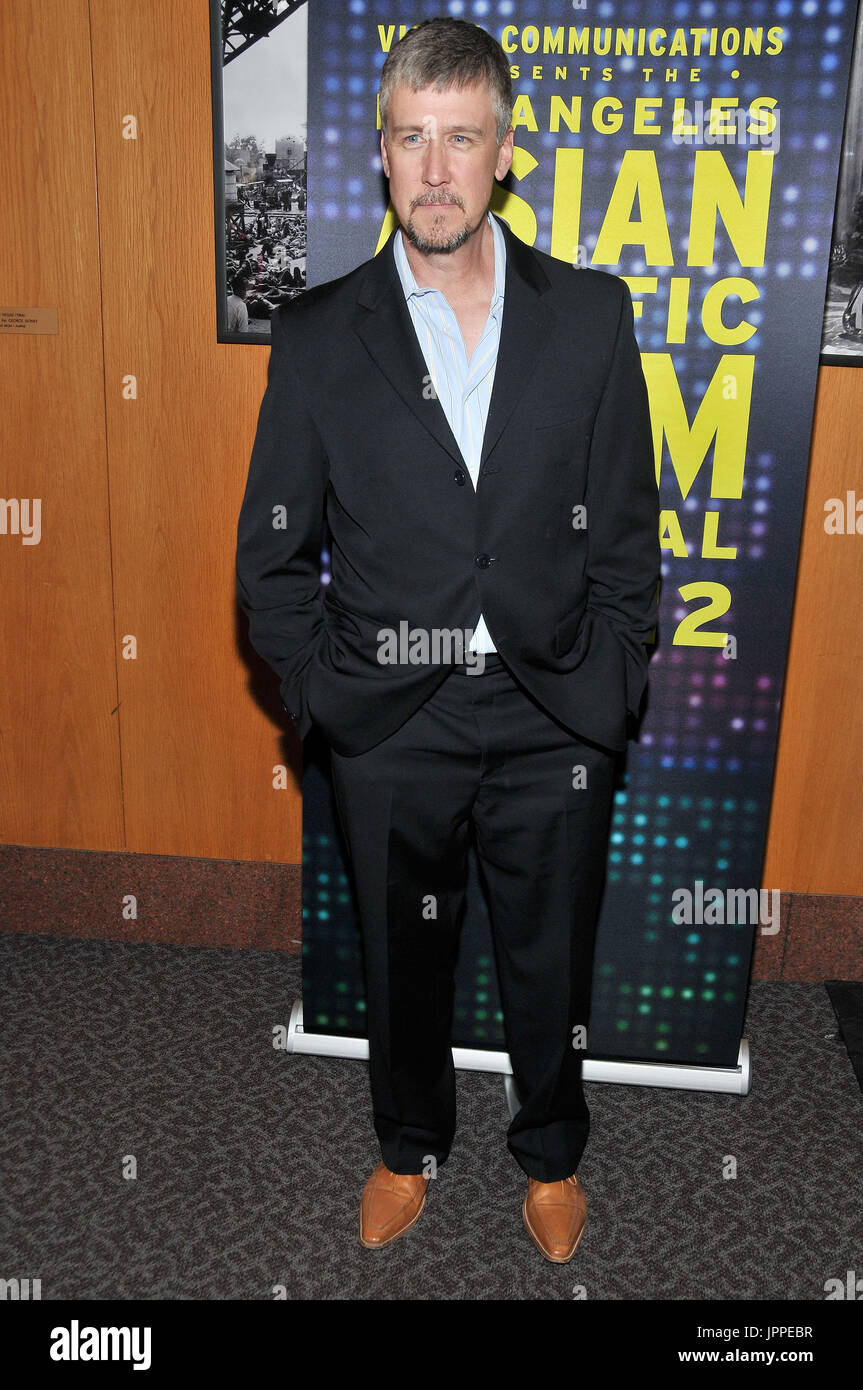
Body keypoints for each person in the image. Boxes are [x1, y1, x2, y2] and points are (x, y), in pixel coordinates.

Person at [235, 16, 661, 1263]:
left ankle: (549, 1153)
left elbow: (627, 534)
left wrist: (612, 673)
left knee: (550, 958)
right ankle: (405, 1143)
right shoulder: (317, 337)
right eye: (411, 138)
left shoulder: (588, 317)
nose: (434, 168)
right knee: (399, 962)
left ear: (503, 153)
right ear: (381, 154)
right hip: (388, 722)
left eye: (460, 138)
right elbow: (269, 558)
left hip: (551, 713)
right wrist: (322, 694)